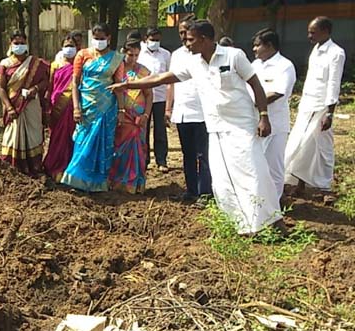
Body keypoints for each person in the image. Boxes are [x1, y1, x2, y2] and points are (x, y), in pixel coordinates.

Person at [109, 19, 282, 235]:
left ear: (205, 39)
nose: (186, 43)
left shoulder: (233, 56)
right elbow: (162, 78)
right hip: (215, 127)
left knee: (252, 171)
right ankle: (243, 223)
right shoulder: (193, 62)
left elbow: (256, 85)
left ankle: (272, 220)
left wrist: (264, 116)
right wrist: (128, 84)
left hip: (241, 125)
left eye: (190, 40)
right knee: (222, 177)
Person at [285, 16, 346, 194]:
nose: (309, 36)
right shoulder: (316, 50)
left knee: (323, 147)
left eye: (313, 32)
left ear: (325, 31)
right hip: (307, 105)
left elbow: (334, 84)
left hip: (322, 107)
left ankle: (325, 187)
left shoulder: (336, 53)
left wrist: (330, 113)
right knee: (302, 144)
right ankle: (300, 183)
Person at [61, 23, 124, 192]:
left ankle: (98, 184)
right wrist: (76, 107)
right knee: (82, 141)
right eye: (95, 38)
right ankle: (75, 180)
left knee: (103, 145)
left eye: (102, 39)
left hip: (106, 108)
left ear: (109, 38)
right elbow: (75, 82)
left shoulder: (116, 58)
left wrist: (121, 111)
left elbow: (119, 86)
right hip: (86, 107)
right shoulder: (82, 55)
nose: (98, 41)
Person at [166, 16, 212, 202]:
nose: (184, 37)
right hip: (183, 112)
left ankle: (205, 192)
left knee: (204, 155)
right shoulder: (177, 55)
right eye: (181, 33)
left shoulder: (204, 54)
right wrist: (168, 109)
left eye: (187, 33)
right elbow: (170, 82)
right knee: (188, 155)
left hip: (202, 112)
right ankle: (191, 191)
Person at [251, 28, 297, 199]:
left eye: (257, 46)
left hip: (276, 124)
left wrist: (253, 103)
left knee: (274, 166)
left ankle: (275, 204)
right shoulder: (255, 65)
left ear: (269, 45)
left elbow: (278, 92)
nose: (254, 49)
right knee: (256, 164)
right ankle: (260, 201)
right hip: (255, 121)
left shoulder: (284, 66)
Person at [0, 30, 50, 175]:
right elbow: (0, 87)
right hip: (13, 105)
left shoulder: (36, 63)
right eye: (16, 43)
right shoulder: (5, 64)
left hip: (32, 104)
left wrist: (36, 88)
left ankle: (34, 168)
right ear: (11, 44)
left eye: (22, 43)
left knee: (33, 134)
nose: (19, 46)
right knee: (12, 136)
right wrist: (9, 107)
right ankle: (12, 169)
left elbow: (46, 81)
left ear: (26, 44)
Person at [109, 39, 153, 193]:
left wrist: (146, 115)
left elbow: (149, 95)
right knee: (119, 148)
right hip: (121, 115)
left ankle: (135, 184)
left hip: (138, 118)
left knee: (138, 150)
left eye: (136, 55)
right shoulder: (116, 70)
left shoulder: (144, 72)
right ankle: (117, 182)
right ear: (123, 52)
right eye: (130, 55)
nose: (133, 59)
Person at [43, 35, 77, 181]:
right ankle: (53, 166)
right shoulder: (55, 65)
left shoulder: (79, 65)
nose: (69, 48)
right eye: (66, 45)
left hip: (72, 106)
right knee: (56, 137)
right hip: (56, 106)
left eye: (72, 45)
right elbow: (50, 86)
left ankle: (68, 168)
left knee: (70, 137)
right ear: (62, 47)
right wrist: (47, 106)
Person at [138, 27, 172, 172]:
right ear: (146, 39)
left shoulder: (165, 54)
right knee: (143, 129)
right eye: (152, 40)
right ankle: (143, 160)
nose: (155, 42)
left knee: (160, 129)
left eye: (157, 40)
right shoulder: (139, 54)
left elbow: (170, 75)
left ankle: (161, 160)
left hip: (160, 97)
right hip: (143, 97)